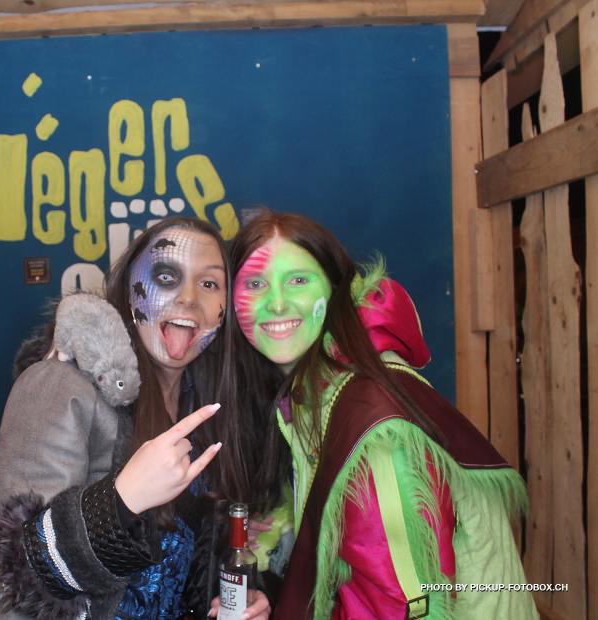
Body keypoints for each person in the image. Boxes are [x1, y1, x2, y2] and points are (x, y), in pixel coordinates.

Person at [0, 216, 270, 620]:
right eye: (166, 277)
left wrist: (233, 598)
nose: (189, 298)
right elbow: (9, 577)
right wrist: (120, 501)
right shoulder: (61, 385)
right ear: (128, 290)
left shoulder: (207, 408)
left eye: (208, 284)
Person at [226, 210, 536, 619]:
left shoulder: (372, 421)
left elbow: (400, 605)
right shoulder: (318, 392)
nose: (278, 302)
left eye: (298, 280)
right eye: (255, 284)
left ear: (336, 288)